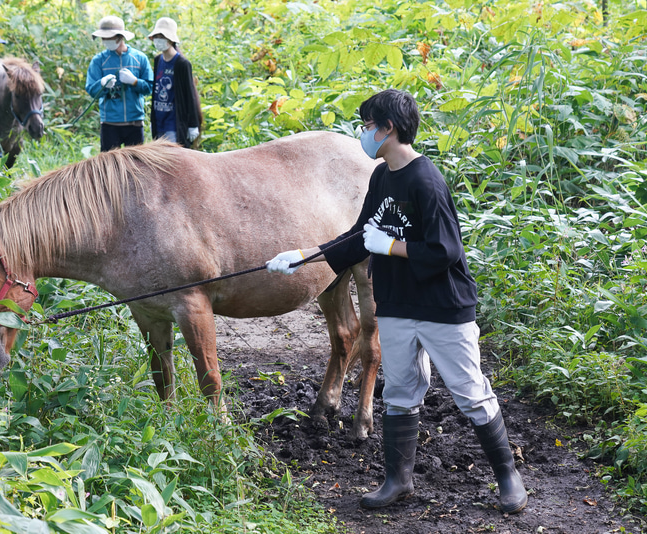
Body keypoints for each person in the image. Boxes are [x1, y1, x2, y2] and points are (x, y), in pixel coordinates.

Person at [265, 89, 527, 515]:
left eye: (368, 125)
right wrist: (303, 256)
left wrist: (392, 246)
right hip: (398, 305)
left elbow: (445, 251)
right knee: (401, 392)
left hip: (442, 307)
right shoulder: (381, 178)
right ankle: (397, 480)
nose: (364, 133)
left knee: (470, 392)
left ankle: (508, 476)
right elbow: (357, 237)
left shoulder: (426, 180)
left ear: (388, 128)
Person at [85, 15, 153, 152]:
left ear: (119, 37)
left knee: (136, 166)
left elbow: (149, 88)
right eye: (103, 38)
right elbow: (92, 90)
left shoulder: (139, 58)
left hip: (134, 122)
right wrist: (102, 84)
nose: (104, 41)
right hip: (110, 123)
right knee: (109, 168)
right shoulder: (99, 60)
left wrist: (134, 81)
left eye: (108, 37)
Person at [147, 17, 203, 148]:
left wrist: (192, 124)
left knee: (172, 160)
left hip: (174, 122)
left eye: (162, 36)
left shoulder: (182, 63)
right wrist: (153, 118)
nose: (158, 39)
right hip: (159, 120)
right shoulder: (157, 60)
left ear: (170, 39)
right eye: (157, 36)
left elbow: (189, 94)